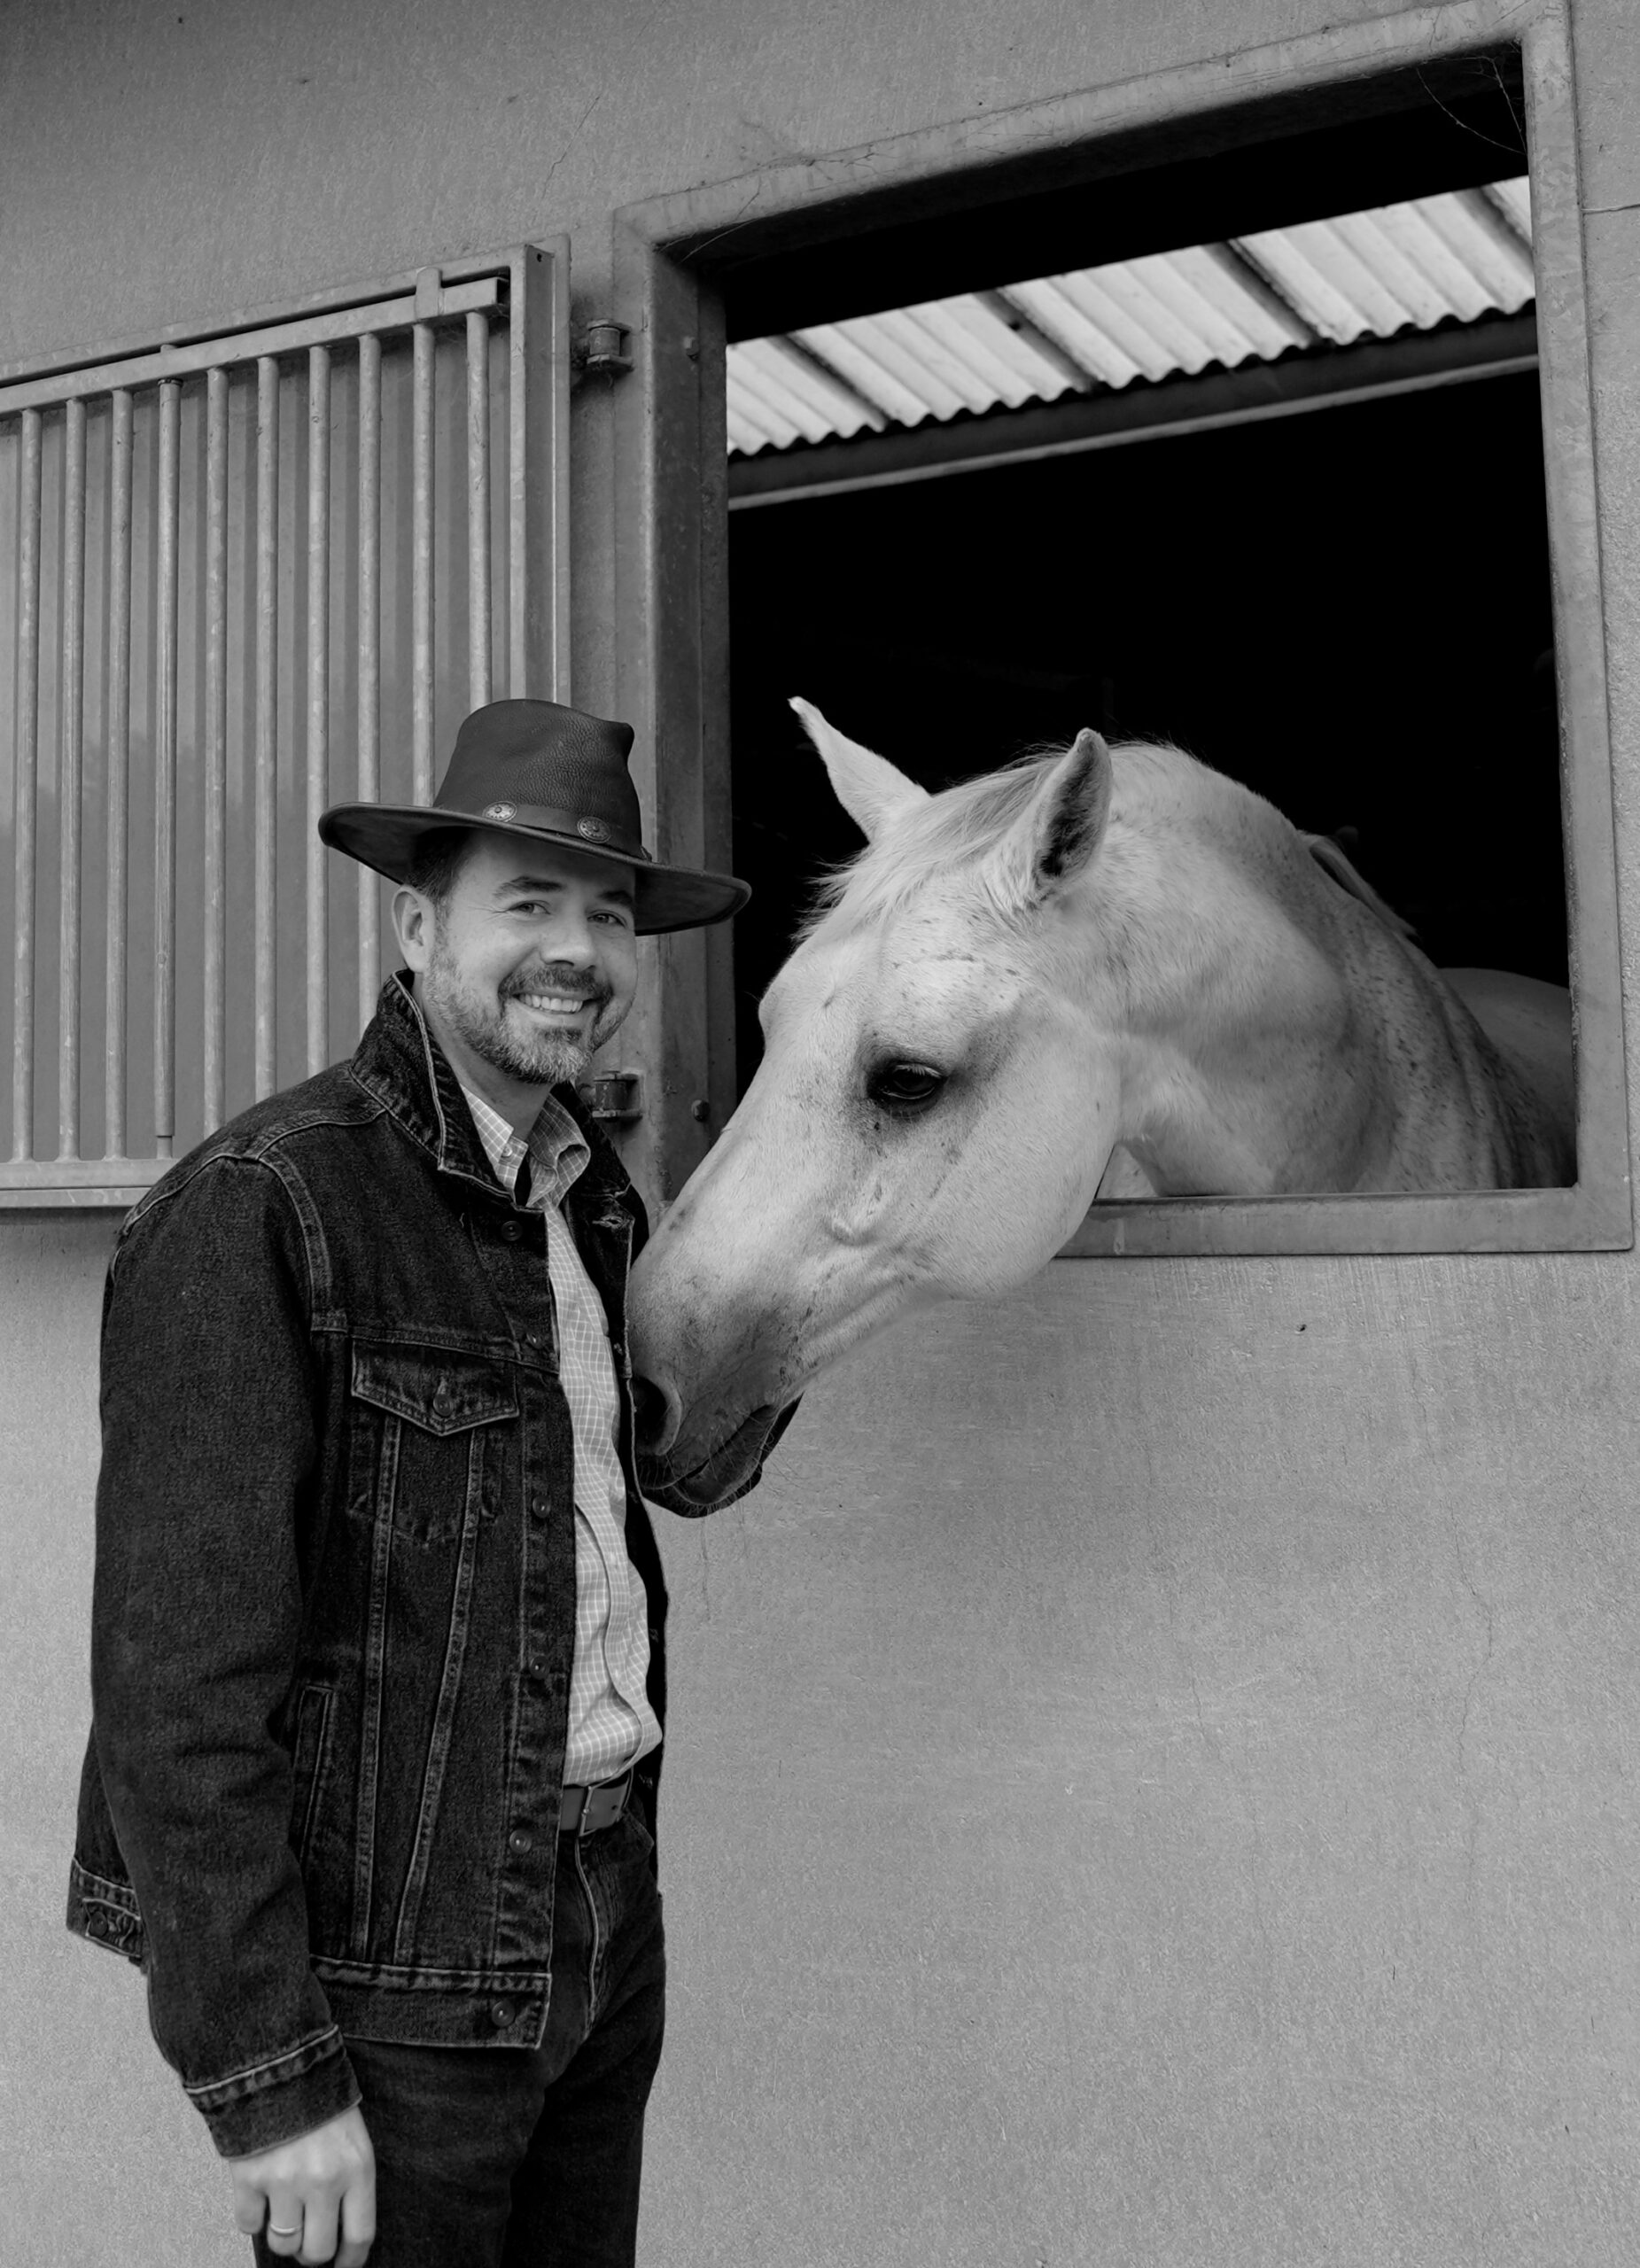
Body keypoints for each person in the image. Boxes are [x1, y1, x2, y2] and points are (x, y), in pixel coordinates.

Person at [67, 699, 793, 2267]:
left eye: (611, 914)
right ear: (419, 927)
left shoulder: (585, 1200)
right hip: (400, 1976)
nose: (578, 951)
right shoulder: (265, 1205)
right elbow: (175, 1696)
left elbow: (647, 1480)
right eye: (528, 903)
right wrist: (267, 2081)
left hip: (601, 1918)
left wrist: (826, 1261)